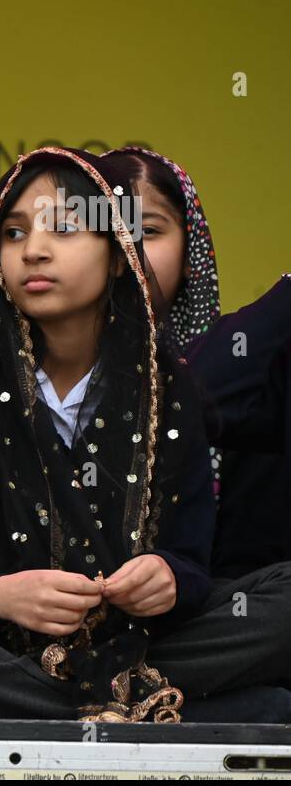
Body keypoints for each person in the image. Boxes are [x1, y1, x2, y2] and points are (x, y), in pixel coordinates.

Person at [0, 147, 291, 721]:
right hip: (5, 646)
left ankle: (69, 702)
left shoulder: (170, 386)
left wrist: (167, 580)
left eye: (64, 228)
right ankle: (128, 701)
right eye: (12, 233)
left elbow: (191, 562)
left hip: (145, 640)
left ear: (117, 257)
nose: (33, 250)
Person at [104, 146, 289, 578]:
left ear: (192, 254)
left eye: (147, 230)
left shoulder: (245, 368)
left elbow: (193, 394)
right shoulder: (7, 376)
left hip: (213, 622)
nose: (130, 250)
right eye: (109, 232)